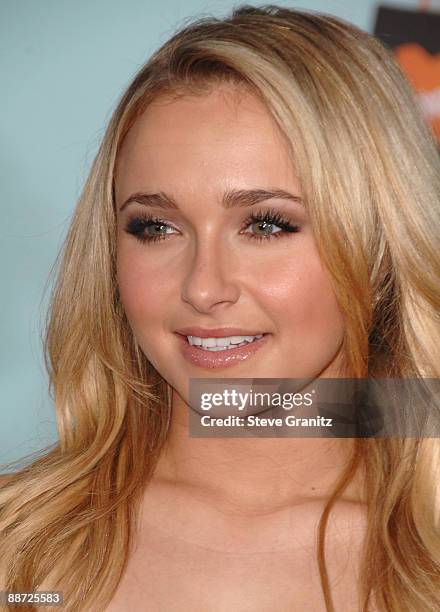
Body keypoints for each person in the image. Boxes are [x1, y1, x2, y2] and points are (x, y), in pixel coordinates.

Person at [1, 5, 439, 611]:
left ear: (382, 242)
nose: (203, 288)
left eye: (265, 223)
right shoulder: (17, 548)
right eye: (155, 227)